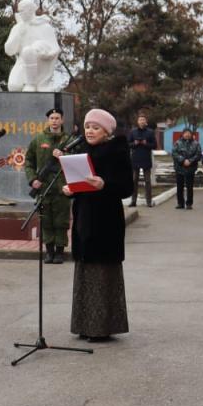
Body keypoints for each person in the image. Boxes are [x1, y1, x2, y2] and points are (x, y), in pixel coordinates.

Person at [64, 108, 133, 343]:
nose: (90, 131)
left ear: (107, 131)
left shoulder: (117, 152)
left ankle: (102, 328)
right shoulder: (83, 152)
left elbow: (126, 188)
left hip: (105, 223)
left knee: (102, 275)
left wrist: (104, 183)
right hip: (84, 219)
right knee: (84, 273)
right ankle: (84, 325)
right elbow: (83, 186)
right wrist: (71, 189)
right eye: (87, 127)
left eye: (95, 127)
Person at [25, 108, 75, 263]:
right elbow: (29, 161)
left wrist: (64, 155)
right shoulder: (39, 140)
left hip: (62, 188)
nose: (54, 120)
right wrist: (33, 179)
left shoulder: (69, 140)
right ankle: (49, 252)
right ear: (48, 120)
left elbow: (76, 159)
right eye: (51, 118)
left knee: (61, 221)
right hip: (44, 187)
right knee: (46, 221)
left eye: (57, 117)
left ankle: (59, 252)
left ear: (62, 120)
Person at [127, 113, 156, 208]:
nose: (142, 121)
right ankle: (133, 201)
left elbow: (154, 145)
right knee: (134, 180)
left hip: (146, 159)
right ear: (137, 121)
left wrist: (145, 143)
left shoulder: (150, 132)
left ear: (146, 121)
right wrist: (135, 143)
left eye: (143, 119)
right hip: (135, 159)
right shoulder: (133, 132)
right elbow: (128, 144)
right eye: (140, 120)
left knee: (147, 181)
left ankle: (149, 201)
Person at [171, 129, 201, 210]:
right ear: (183, 134)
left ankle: (189, 203)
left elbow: (198, 155)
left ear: (191, 134)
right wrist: (183, 160)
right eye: (185, 133)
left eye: (189, 133)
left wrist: (190, 161)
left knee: (189, 187)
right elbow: (174, 153)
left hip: (191, 168)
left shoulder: (196, 143)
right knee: (179, 187)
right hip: (179, 168)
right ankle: (180, 203)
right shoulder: (177, 143)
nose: (187, 135)